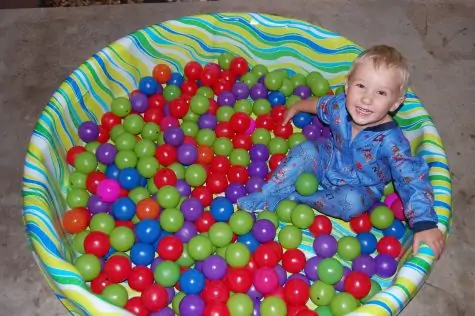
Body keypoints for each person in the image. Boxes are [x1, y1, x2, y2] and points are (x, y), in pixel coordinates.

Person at [237, 45, 445, 258]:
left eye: (381, 92)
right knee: (307, 149)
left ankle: (296, 197)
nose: (366, 99)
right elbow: (321, 105)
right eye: (361, 86)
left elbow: (411, 177)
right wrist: (298, 106)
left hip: (361, 186)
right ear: (347, 86)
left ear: (395, 103)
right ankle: (268, 193)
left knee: (352, 204)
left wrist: (424, 223)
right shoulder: (339, 107)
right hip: (329, 159)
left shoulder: (392, 141)